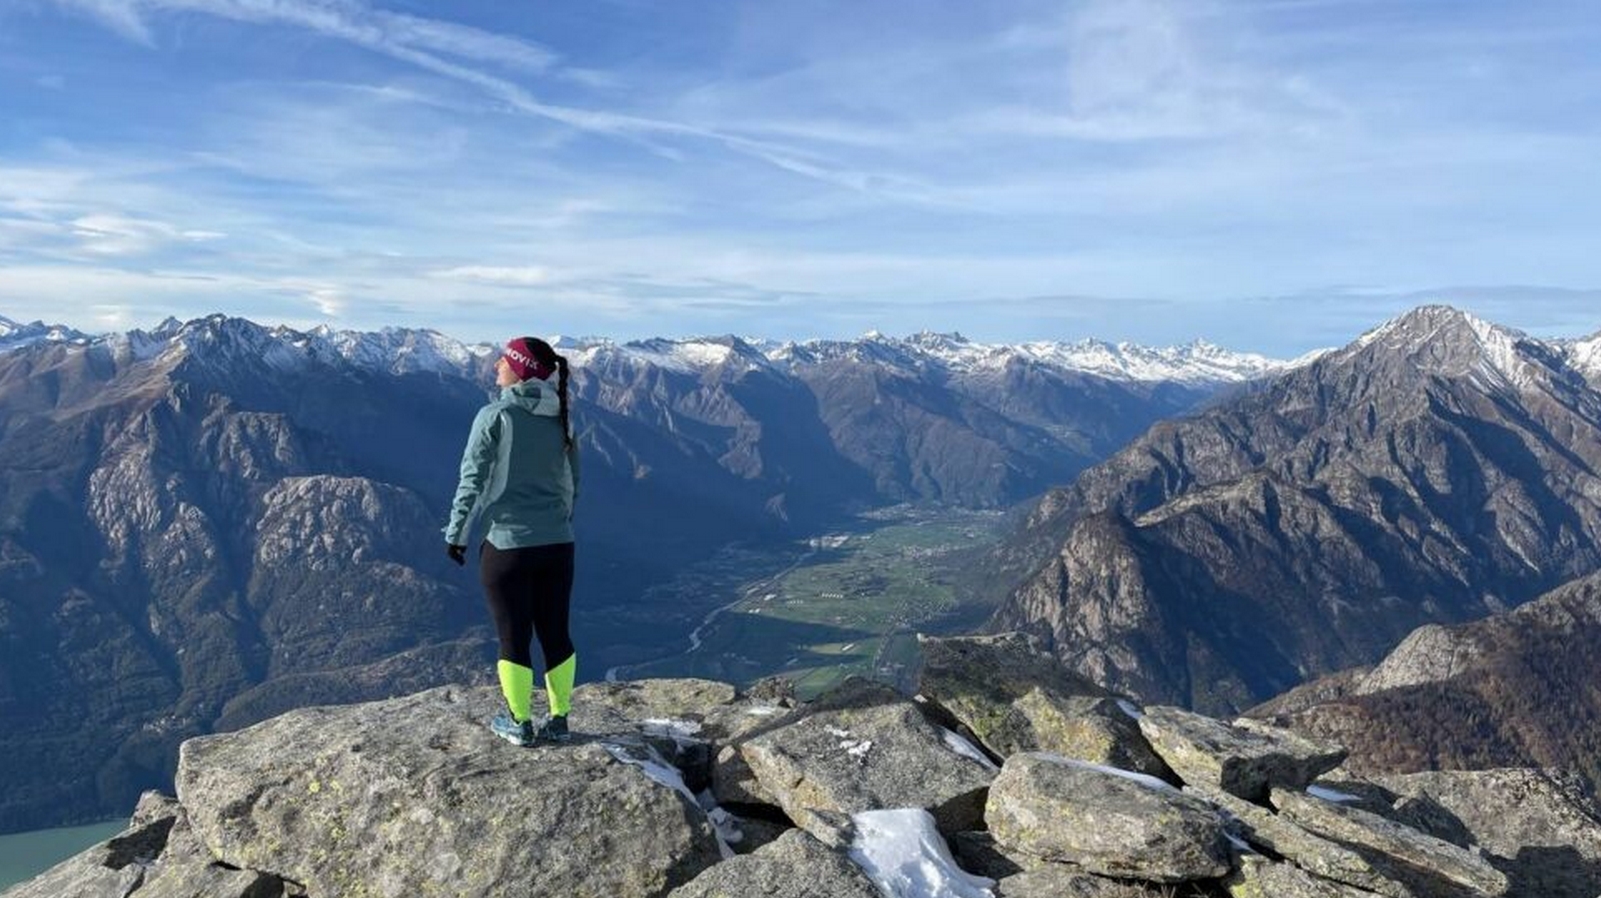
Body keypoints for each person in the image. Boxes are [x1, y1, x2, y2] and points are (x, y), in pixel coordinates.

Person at [443, 336, 580, 747]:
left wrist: (457, 534)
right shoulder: (563, 416)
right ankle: (559, 720)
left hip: (508, 546)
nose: (495, 366)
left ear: (520, 369)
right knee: (556, 631)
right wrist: (558, 524)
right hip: (559, 544)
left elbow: (473, 481)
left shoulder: (495, 416)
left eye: (503, 360)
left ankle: (519, 722)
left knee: (513, 635)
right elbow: (571, 484)